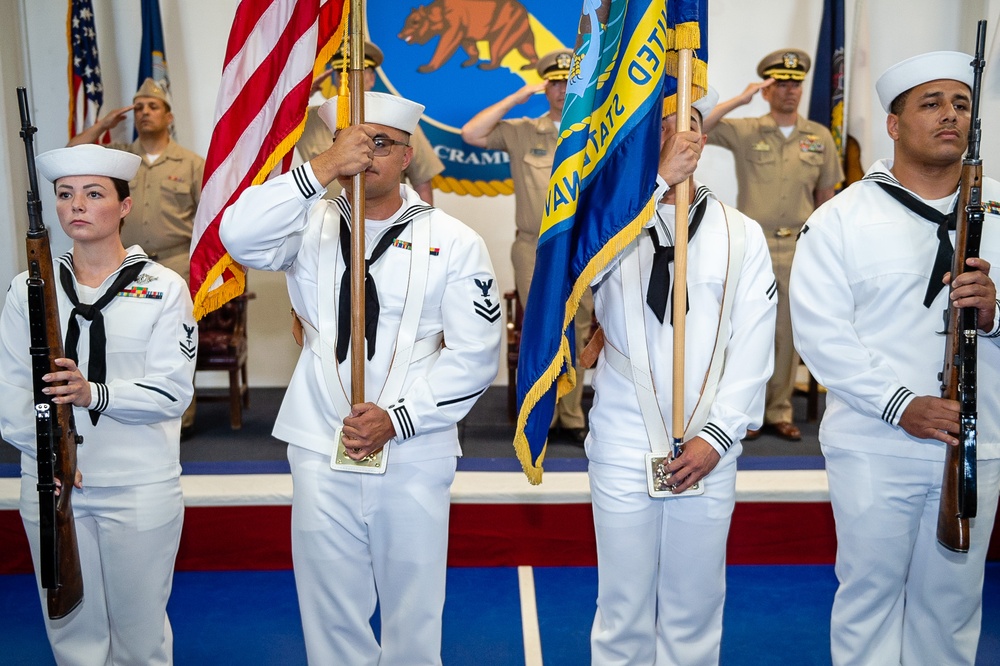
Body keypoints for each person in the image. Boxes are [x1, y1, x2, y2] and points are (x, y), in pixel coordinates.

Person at [219, 92, 502, 665]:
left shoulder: (452, 239)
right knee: (329, 607)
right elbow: (237, 235)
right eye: (355, 143)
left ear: (406, 156)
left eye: (381, 144)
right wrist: (318, 171)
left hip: (414, 444)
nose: (367, 155)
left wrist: (399, 419)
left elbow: (476, 354)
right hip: (321, 438)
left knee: (414, 606)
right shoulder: (308, 224)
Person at [789, 51, 1000, 665]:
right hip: (875, 444)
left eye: (961, 104)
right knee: (869, 600)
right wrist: (899, 405)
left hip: (975, 442)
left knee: (954, 608)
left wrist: (996, 313)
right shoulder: (842, 219)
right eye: (930, 103)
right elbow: (821, 335)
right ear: (894, 123)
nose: (949, 116)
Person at [585, 89, 777, 664]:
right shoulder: (609, 221)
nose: (676, 133)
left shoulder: (741, 233)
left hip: (708, 444)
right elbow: (576, 271)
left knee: (694, 606)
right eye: (661, 125)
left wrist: (718, 436)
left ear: (705, 138)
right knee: (622, 607)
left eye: (688, 123)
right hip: (622, 435)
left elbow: (754, 346)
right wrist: (650, 187)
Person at [0, 144, 196, 664]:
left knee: (139, 635)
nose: (76, 206)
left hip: (136, 482)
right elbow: (11, 388)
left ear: (125, 206)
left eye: (93, 194)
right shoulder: (28, 290)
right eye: (65, 196)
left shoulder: (164, 288)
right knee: (71, 634)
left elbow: (173, 391)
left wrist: (95, 394)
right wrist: (48, 454)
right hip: (51, 482)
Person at [703, 48, 844, 441]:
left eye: (795, 83)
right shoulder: (747, 129)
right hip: (752, 246)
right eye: (781, 83)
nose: (790, 90)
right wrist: (740, 98)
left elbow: (827, 197)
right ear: (767, 89)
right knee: (744, 330)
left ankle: (778, 410)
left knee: (786, 334)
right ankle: (742, 411)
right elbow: (699, 128)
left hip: (799, 246)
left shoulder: (819, 137)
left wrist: (824, 251)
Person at [461, 48, 593, 443]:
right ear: (545, 87)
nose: (561, 89)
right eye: (554, 82)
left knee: (577, 326)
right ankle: (539, 411)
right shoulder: (522, 130)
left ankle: (570, 413)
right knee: (539, 327)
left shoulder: (595, 128)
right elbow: (472, 133)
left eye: (569, 81)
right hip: (533, 248)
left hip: (578, 246)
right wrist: (517, 97)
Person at [70, 78, 204, 434]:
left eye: (153, 106)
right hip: (123, 264)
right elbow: (71, 155)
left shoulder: (191, 163)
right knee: (124, 338)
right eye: (139, 106)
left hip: (175, 261)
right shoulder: (119, 158)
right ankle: (119, 404)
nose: (145, 112)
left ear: (169, 116)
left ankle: (179, 417)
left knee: (173, 342)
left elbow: (209, 217)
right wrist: (102, 126)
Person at [296, 40, 444, 204]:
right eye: (343, 73)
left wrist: (422, 224)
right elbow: (271, 133)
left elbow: (421, 181)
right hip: (328, 223)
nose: (351, 79)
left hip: (389, 223)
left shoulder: (399, 121)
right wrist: (300, 95)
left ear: (372, 78)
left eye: (360, 72)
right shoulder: (312, 120)